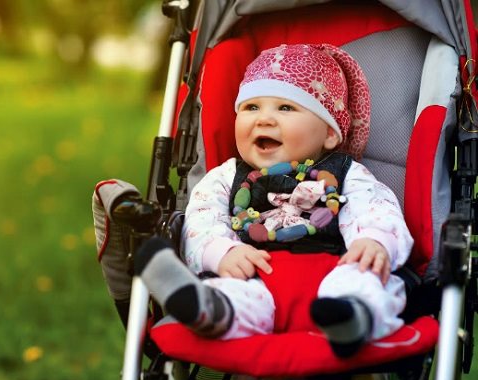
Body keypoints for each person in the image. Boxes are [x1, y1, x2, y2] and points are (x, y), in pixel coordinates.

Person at [134, 44, 413, 358]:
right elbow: (201, 217)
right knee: (232, 292)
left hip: (331, 273)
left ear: (330, 134)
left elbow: (376, 207)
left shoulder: (346, 174)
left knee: (367, 280)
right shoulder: (227, 176)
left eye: (286, 108)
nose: (263, 119)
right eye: (251, 107)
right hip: (253, 276)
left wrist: (373, 241)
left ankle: (352, 318)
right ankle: (208, 309)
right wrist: (221, 251)